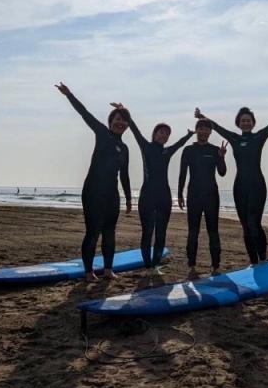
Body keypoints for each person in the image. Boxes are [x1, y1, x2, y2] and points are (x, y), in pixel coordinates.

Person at [195, 93, 268, 265]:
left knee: (253, 222)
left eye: (248, 120)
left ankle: (263, 258)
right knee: (246, 227)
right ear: (238, 123)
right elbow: (217, 127)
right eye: (243, 120)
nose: (246, 122)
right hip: (240, 187)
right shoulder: (234, 138)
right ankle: (253, 262)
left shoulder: (259, 136)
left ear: (253, 123)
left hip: (257, 186)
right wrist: (202, 117)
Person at [56, 83, 133, 281]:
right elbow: (84, 113)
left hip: (111, 193)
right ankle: (89, 272)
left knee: (110, 232)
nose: (120, 123)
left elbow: (124, 175)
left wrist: (129, 199)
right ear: (110, 121)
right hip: (93, 190)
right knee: (93, 231)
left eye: (124, 121)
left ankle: (108, 270)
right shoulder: (102, 133)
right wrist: (69, 95)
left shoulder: (124, 148)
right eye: (117, 119)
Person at [113, 103, 193, 276]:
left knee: (162, 233)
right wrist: (125, 112)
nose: (164, 135)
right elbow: (134, 130)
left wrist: (189, 135)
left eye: (167, 133)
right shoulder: (146, 146)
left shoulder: (168, 151)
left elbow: (179, 144)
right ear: (155, 133)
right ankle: (148, 266)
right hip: (147, 196)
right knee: (147, 232)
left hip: (164, 196)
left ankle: (155, 265)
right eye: (161, 132)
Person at [178, 119, 227, 276]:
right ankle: (192, 265)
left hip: (212, 195)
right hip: (193, 195)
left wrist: (221, 157)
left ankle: (216, 266)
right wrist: (179, 194)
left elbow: (222, 172)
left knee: (213, 231)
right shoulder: (188, 150)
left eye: (207, 129)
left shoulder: (215, 150)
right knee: (193, 231)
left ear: (210, 132)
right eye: (201, 128)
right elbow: (182, 173)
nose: (204, 131)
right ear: (196, 130)